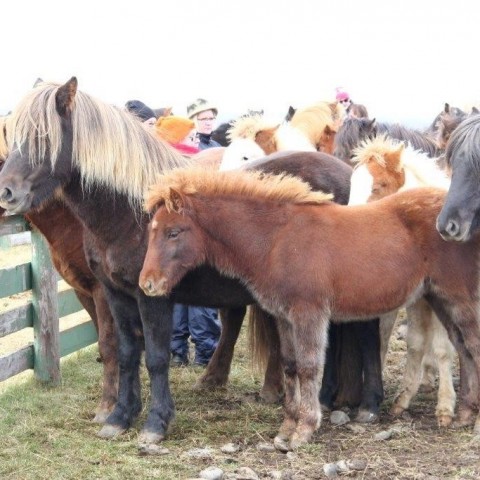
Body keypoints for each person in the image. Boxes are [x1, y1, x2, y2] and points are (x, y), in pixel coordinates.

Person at [155, 113, 221, 367]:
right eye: (190, 137)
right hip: (186, 246)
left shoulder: (181, 173)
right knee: (191, 299)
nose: (196, 141)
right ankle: (198, 352)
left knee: (183, 298)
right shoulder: (189, 172)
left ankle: (184, 351)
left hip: (180, 247)